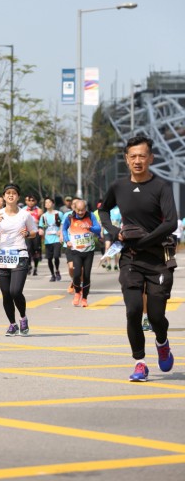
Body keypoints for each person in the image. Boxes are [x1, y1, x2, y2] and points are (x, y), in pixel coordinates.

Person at [99, 135, 177, 382]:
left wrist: (145, 240)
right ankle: (140, 362)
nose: (137, 160)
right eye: (133, 156)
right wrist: (115, 232)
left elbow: (171, 222)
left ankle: (162, 342)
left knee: (155, 316)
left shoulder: (161, 187)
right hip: (130, 258)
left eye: (142, 155)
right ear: (126, 159)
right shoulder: (118, 187)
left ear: (151, 158)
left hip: (158, 260)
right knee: (133, 310)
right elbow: (102, 209)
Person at [0, 183, 37, 336]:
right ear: (4, 196)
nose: (10, 195)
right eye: (8, 193)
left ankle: (23, 317)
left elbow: (34, 232)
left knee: (15, 291)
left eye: (14, 193)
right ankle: (12, 324)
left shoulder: (24, 215)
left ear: (18, 197)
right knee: (6, 293)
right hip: (3, 256)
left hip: (20, 254)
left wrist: (27, 234)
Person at [62, 199, 101, 307]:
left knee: (87, 275)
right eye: (78, 210)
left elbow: (98, 229)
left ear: (85, 208)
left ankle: (84, 298)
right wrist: (67, 240)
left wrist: (89, 227)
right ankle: (77, 292)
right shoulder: (70, 217)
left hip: (89, 251)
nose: (80, 212)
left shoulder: (90, 215)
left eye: (82, 210)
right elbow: (64, 229)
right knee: (77, 274)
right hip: (76, 250)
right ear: (74, 208)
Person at [38, 197, 63, 281]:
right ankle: (52, 274)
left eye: (49, 202)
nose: (47, 204)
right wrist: (41, 230)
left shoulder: (58, 214)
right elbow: (41, 226)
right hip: (48, 240)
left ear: (53, 204)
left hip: (57, 239)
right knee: (49, 258)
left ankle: (57, 271)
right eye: (46, 203)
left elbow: (63, 224)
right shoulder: (44, 216)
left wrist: (60, 231)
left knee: (56, 256)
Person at [21, 194, 43, 276]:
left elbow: (43, 222)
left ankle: (36, 268)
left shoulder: (39, 210)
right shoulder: (23, 210)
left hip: (36, 233)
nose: (31, 202)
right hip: (27, 233)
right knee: (28, 249)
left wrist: (41, 227)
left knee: (36, 251)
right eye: (29, 200)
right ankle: (29, 265)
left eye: (33, 200)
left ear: (35, 201)